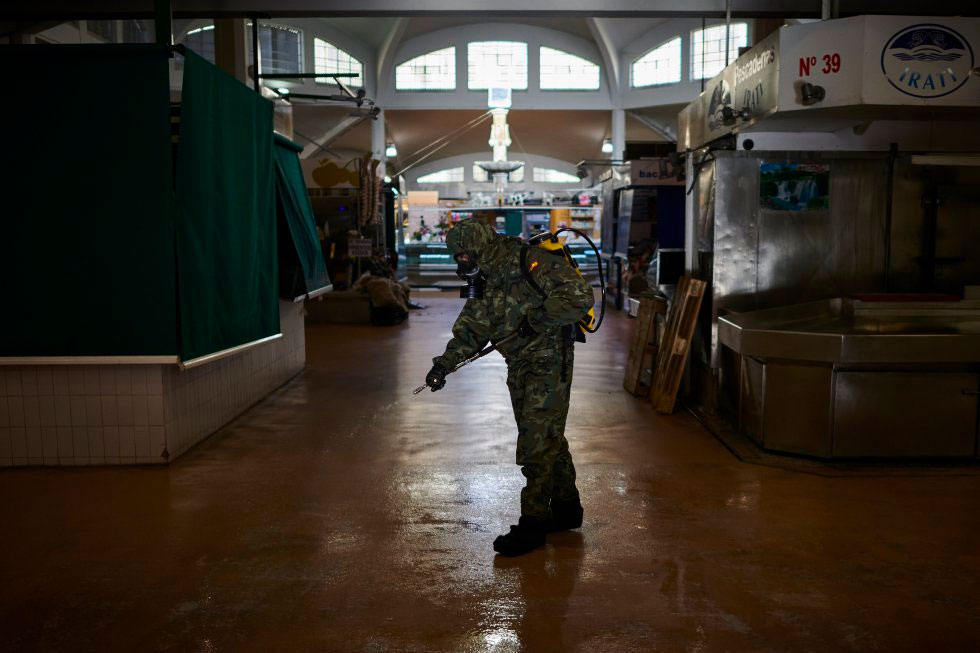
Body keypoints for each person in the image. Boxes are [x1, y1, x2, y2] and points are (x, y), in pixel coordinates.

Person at [425, 219, 594, 556]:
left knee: (536, 440)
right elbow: (473, 326)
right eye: (456, 257)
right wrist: (444, 364)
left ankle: (533, 523)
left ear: (477, 247)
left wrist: (538, 320)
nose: (461, 262)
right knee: (547, 434)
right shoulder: (486, 275)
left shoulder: (529, 261)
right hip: (518, 362)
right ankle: (566, 509)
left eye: (462, 255)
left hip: (548, 359)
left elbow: (579, 295)